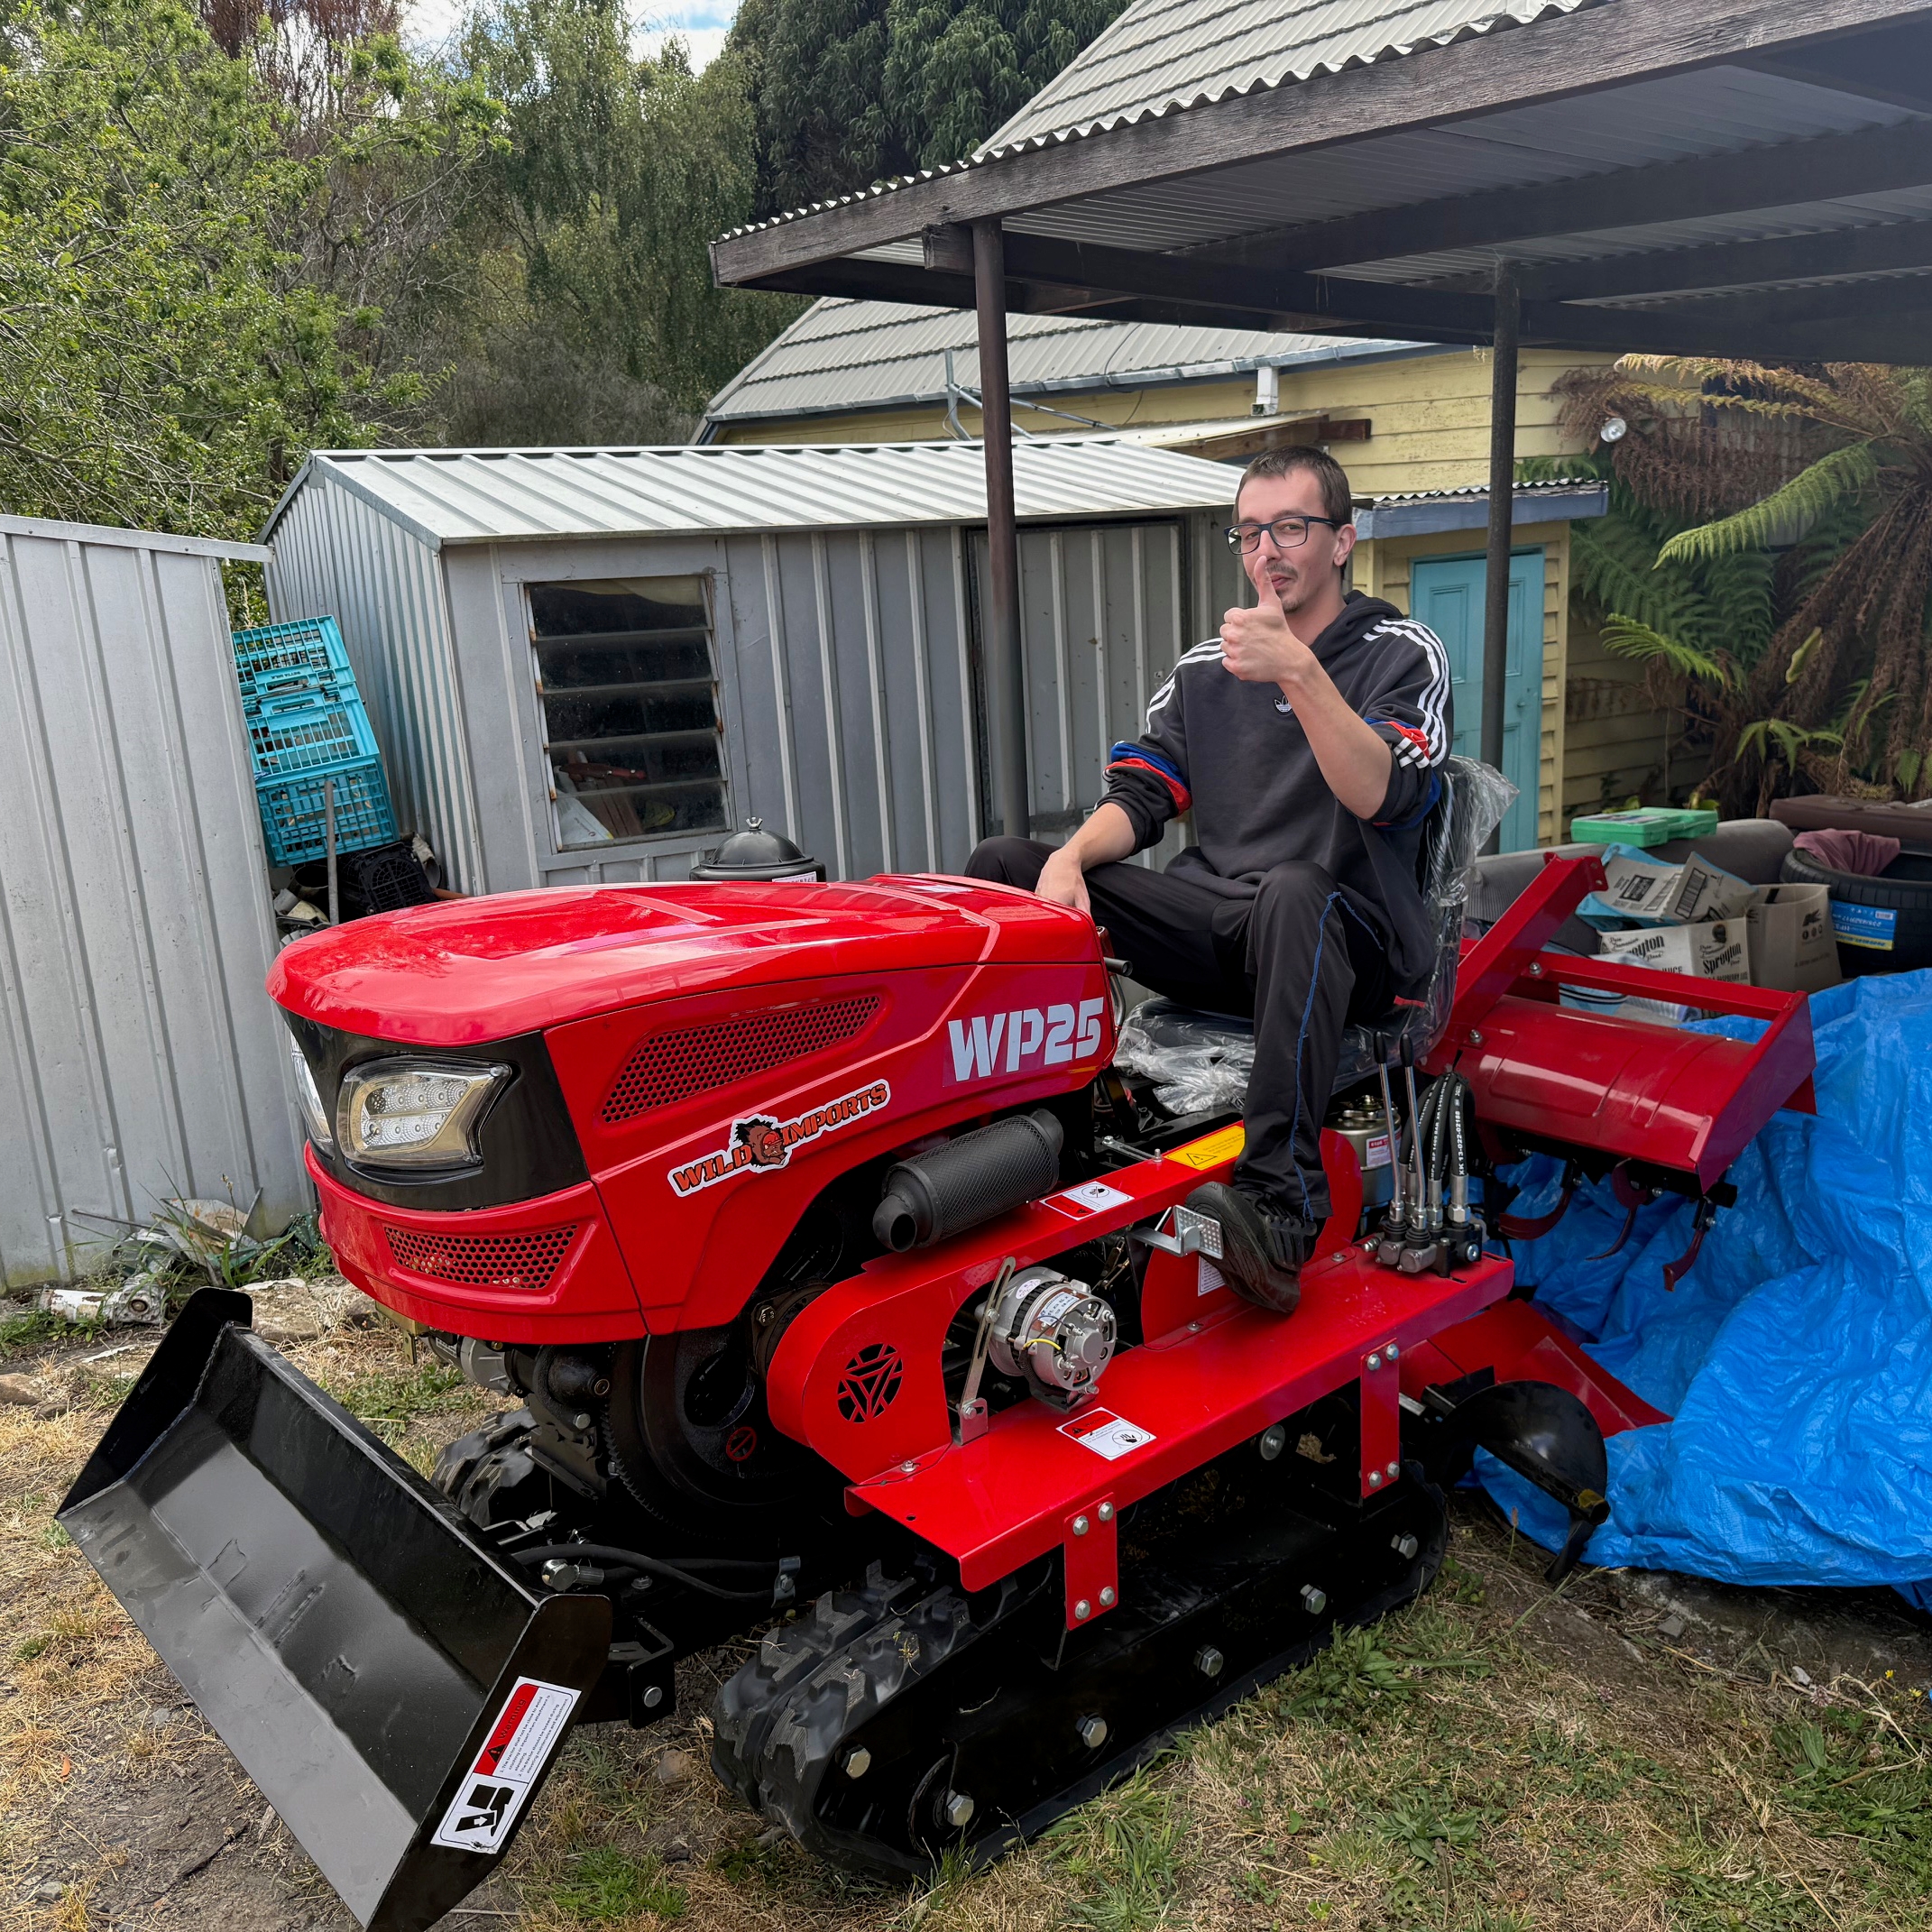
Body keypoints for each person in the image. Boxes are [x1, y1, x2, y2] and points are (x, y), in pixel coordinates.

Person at [964, 445, 1451, 1312]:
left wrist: (1299, 672)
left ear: (1340, 542)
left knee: (1296, 890)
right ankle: (1019, 1144)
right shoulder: (1206, 666)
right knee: (1009, 865)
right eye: (1252, 532)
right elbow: (1148, 792)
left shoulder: (1397, 652)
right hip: (1228, 924)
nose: (1268, 551)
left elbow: (1383, 792)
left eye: (1291, 528)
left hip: (1349, 943)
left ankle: (1281, 1209)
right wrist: (1071, 858)